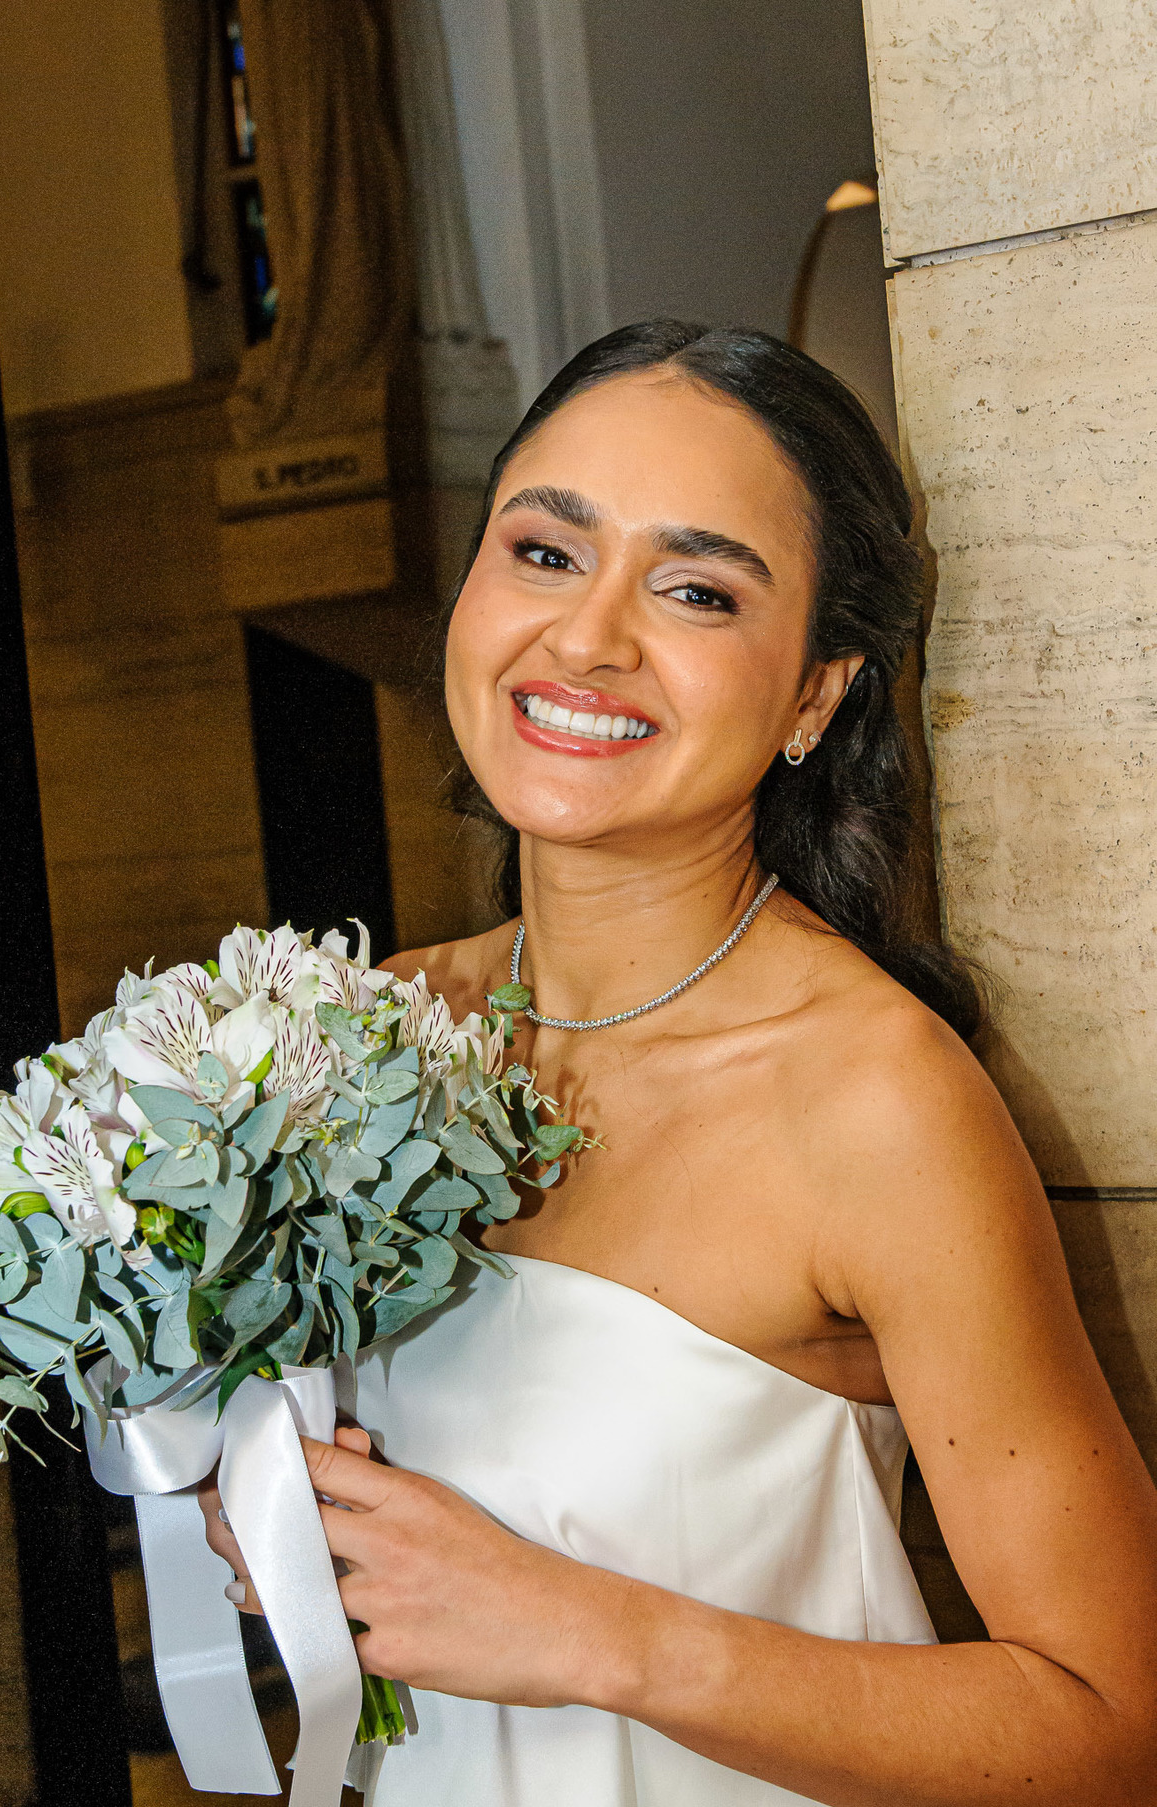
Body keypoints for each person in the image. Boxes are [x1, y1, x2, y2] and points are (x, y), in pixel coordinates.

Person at [202, 321, 1157, 1804]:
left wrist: (588, 1631)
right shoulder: (358, 1030)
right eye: (543, 552)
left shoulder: (874, 1103)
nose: (586, 638)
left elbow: (1113, 1727)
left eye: (697, 589)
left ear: (816, 695)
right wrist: (291, 1511)